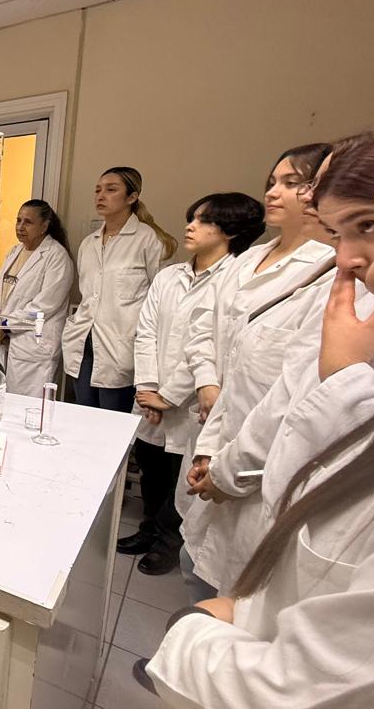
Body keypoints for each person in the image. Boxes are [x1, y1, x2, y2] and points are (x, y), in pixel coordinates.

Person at [145, 96, 374, 709]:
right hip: (227, 452)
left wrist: (187, 636)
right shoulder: (328, 290)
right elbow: (227, 358)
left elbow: (291, 428)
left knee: (209, 583)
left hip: (246, 506)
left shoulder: (354, 299)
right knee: (204, 564)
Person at [177, 144, 333, 601]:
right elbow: (202, 325)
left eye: (291, 183)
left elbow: (290, 392)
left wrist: (227, 466)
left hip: (257, 453)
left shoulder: (327, 270)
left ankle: (201, 660)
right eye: (272, 181)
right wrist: (207, 382)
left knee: (239, 580)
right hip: (211, 425)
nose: (274, 192)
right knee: (194, 555)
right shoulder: (245, 262)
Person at [122, 193, 264, 576]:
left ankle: (169, 544)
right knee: (151, 468)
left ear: (230, 231)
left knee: (179, 477)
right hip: (154, 395)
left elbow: (207, 346)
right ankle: (147, 530)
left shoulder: (238, 280)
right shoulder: (170, 276)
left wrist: (168, 396)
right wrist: (149, 388)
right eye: (192, 218)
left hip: (191, 403)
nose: (190, 226)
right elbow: (146, 332)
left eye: (203, 221)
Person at [61, 167, 175, 411]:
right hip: (84, 343)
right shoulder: (88, 244)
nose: (101, 196)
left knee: (113, 421)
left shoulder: (149, 240)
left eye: (111, 190)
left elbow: (165, 300)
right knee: (83, 414)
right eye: (98, 190)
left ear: (132, 197)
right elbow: (87, 295)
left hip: (122, 346)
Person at [0, 199, 73, 394]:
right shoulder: (15, 252)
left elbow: (44, 305)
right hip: (7, 339)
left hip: (33, 345)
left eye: (28, 222)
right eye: (18, 221)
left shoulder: (57, 256)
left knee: (28, 406)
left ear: (44, 226)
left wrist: (6, 327)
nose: (20, 227)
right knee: (4, 400)